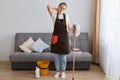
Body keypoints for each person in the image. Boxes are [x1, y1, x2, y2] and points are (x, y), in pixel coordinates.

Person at [47, 2, 72, 79]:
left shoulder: (67, 16)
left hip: (64, 40)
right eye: (61, 7)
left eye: (64, 8)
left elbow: (69, 27)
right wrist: (56, 9)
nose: (62, 9)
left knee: (63, 58)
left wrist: (73, 29)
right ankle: (57, 72)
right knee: (57, 58)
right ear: (58, 7)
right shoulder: (54, 15)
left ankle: (63, 72)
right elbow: (48, 6)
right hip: (56, 39)